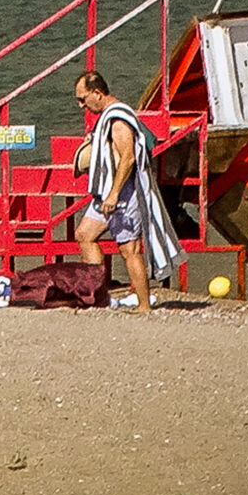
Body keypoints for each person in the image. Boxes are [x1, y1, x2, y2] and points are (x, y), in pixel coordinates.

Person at [72, 70, 186, 313]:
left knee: (129, 248)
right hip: (106, 191)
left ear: (97, 93)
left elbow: (128, 158)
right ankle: (98, 296)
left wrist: (114, 194)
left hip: (124, 192)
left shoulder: (119, 119)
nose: (81, 105)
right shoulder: (107, 117)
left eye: (83, 98)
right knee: (84, 234)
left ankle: (144, 305)